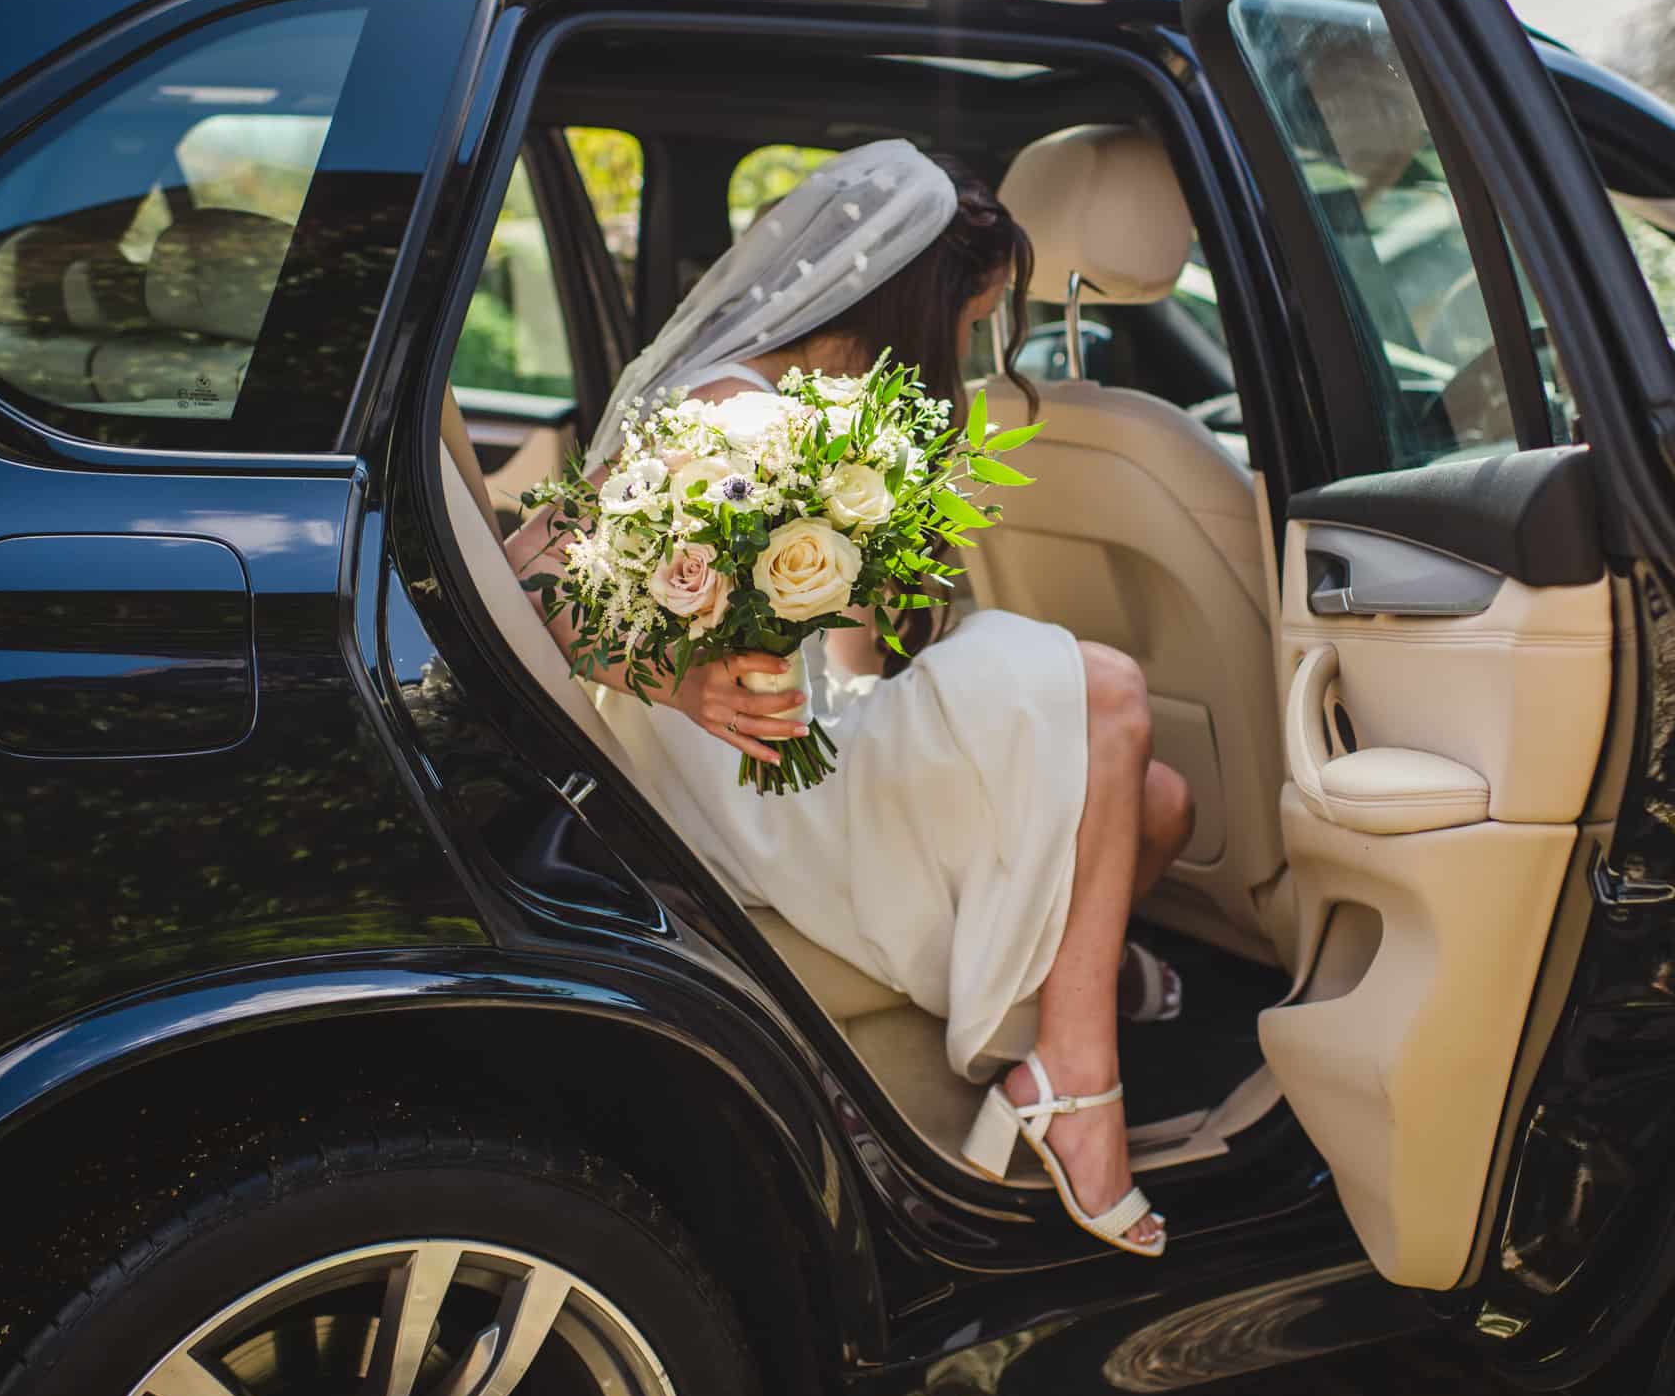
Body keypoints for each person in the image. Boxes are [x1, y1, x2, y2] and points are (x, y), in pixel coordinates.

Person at [508, 140, 1193, 1257]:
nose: (967, 352)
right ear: (912, 305)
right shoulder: (740, 425)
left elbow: (837, 652)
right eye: (970, 324)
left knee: (1159, 804)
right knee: (1103, 689)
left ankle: (1078, 989)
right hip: (770, 804)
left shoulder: (784, 406)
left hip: (802, 752)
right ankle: (1073, 1079)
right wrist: (681, 682)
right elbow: (538, 587)